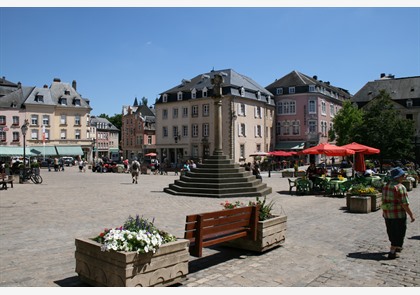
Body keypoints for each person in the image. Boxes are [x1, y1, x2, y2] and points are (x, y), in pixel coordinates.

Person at [381, 167, 415, 259]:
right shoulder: (400, 187)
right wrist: (411, 215)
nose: (404, 177)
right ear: (398, 176)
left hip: (387, 213)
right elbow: (405, 204)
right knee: (399, 232)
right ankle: (392, 251)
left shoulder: (386, 185)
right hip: (398, 214)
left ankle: (398, 247)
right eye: (403, 175)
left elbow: (384, 200)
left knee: (391, 231)